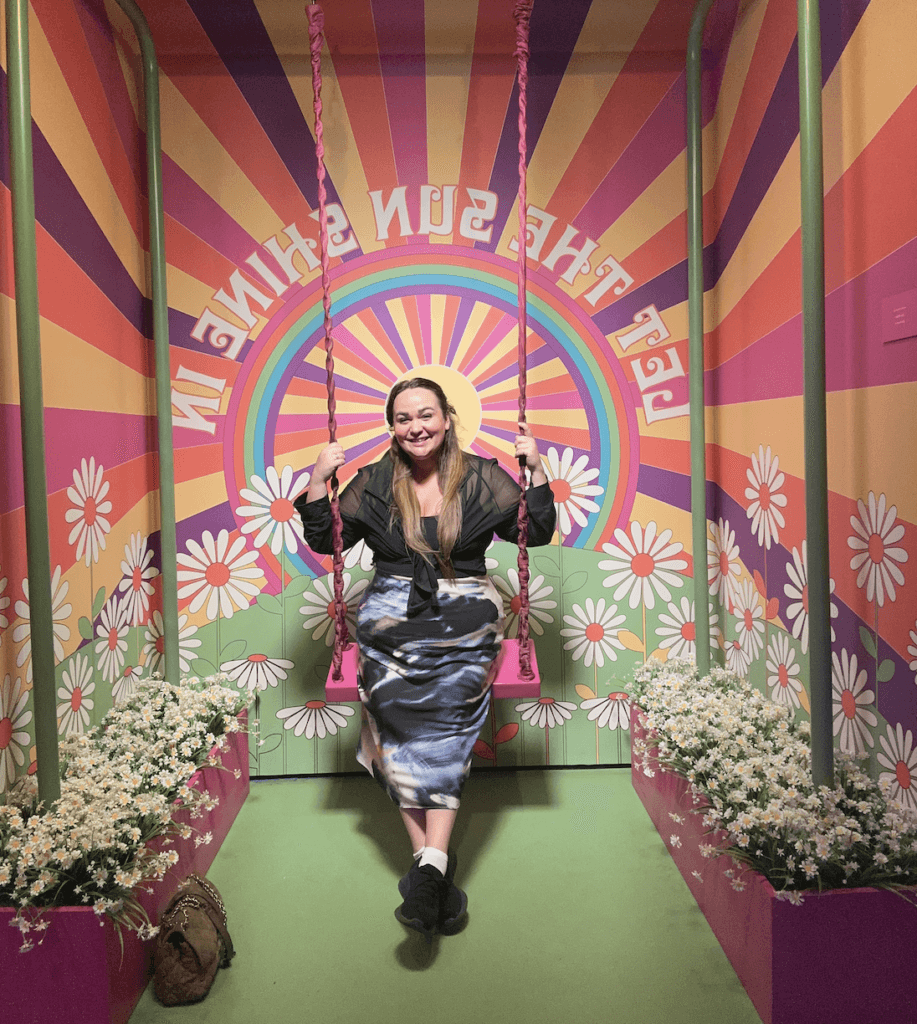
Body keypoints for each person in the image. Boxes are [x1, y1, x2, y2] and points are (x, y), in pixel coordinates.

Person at [295, 377, 556, 939]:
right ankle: (433, 867)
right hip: (390, 615)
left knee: (449, 711)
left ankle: (426, 867)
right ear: (392, 427)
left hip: (466, 614)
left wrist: (540, 470)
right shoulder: (373, 483)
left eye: (426, 414)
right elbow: (326, 538)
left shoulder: (483, 476)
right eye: (403, 417)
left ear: (446, 418)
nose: (416, 426)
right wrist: (318, 477)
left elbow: (536, 529)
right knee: (391, 712)